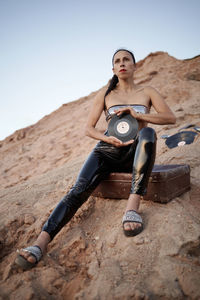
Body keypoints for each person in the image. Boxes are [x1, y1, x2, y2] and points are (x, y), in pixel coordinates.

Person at [15, 49, 176, 270]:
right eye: (117, 61)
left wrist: (139, 115)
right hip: (107, 150)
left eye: (126, 60)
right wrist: (106, 138)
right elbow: (88, 128)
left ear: (134, 65)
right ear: (113, 69)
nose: (122, 63)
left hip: (136, 152)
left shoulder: (147, 91)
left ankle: (132, 208)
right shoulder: (106, 94)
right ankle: (40, 243)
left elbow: (170, 118)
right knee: (78, 190)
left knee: (148, 134)